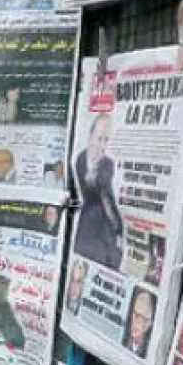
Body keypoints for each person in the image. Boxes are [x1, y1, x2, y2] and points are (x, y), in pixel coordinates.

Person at [73, 114, 124, 270]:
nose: (102, 145)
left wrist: (119, 229)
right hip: (84, 233)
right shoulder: (77, 161)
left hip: (105, 230)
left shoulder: (107, 164)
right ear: (90, 137)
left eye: (106, 140)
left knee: (115, 257)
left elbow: (108, 198)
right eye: (99, 138)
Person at [124, 288, 157, 358]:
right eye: (136, 315)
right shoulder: (123, 335)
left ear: (152, 322)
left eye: (145, 319)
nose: (139, 323)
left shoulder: (151, 351)